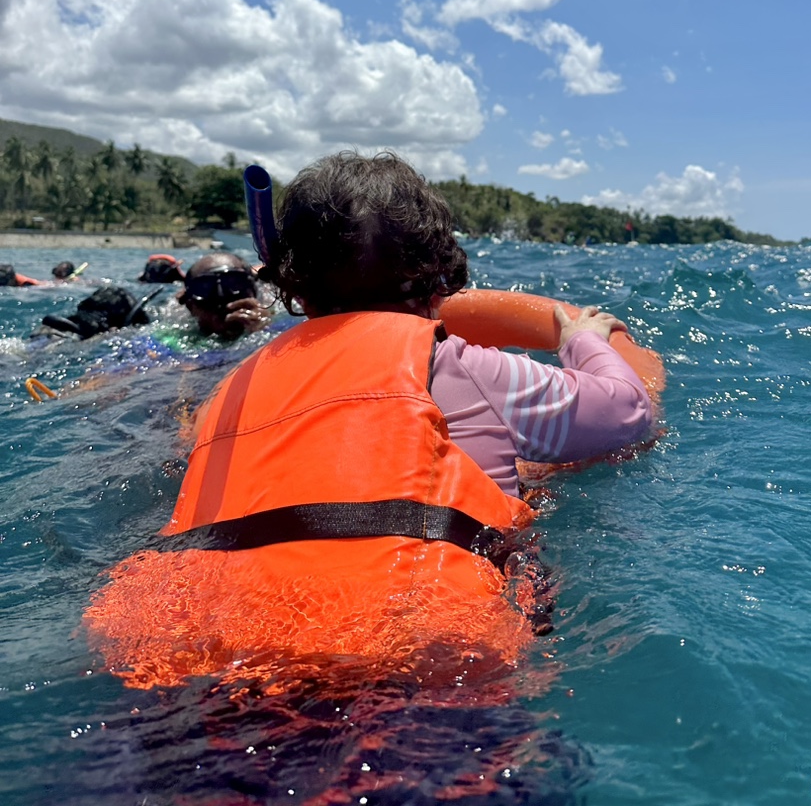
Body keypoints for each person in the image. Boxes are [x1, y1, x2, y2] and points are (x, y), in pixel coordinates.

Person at [85, 151, 654, 688]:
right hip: (411, 663)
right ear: (438, 278)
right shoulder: (463, 365)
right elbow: (628, 413)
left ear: (293, 288)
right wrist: (582, 341)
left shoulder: (229, 392)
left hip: (196, 668)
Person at [176, 253, 272, 339]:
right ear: (190, 306)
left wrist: (264, 328)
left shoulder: (278, 320)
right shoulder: (177, 340)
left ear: (254, 291)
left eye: (234, 283)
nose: (221, 295)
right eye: (206, 287)